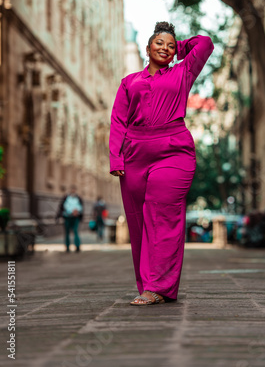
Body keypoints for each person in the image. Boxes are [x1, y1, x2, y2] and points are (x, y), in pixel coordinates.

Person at [109, 21, 214, 305]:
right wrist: (115, 157)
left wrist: (178, 47)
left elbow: (205, 44)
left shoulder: (183, 72)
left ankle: (158, 287)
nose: (165, 48)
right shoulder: (129, 82)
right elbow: (119, 120)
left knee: (162, 215)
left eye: (170, 45)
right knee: (139, 221)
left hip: (174, 151)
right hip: (134, 154)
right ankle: (149, 283)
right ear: (147, 48)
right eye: (159, 43)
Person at [55, 185, 84, 252]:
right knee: (67, 232)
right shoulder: (66, 197)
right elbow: (61, 207)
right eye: (72, 189)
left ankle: (77, 246)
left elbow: (81, 207)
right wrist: (58, 216)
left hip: (75, 217)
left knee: (76, 231)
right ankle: (67, 247)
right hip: (67, 217)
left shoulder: (78, 198)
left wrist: (78, 213)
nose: (73, 190)